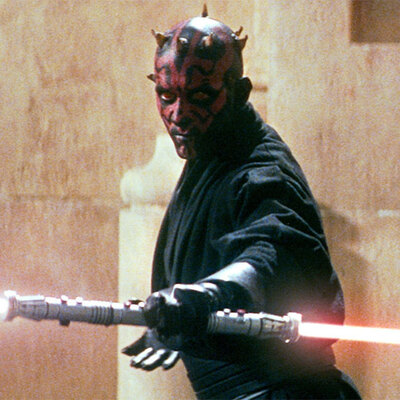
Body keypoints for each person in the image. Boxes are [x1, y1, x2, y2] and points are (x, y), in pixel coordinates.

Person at [122, 7, 362, 400]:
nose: (179, 115)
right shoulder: (212, 151)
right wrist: (178, 318)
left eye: (200, 97)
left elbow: (270, 256)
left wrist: (208, 295)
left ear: (240, 92)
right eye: (167, 96)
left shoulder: (262, 168)